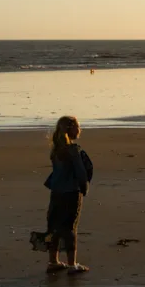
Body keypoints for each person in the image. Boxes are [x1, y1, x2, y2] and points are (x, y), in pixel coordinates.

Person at [44, 116, 90, 274]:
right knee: (70, 227)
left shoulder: (56, 150)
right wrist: (84, 187)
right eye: (78, 126)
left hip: (56, 193)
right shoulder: (73, 150)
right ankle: (72, 264)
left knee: (54, 226)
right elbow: (80, 172)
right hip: (71, 192)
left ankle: (53, 261)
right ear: (71, 129)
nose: (80, 130)